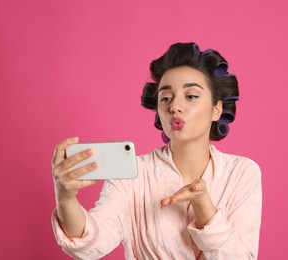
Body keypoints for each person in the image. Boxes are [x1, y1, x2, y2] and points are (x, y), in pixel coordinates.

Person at [51, 42, 262, 259]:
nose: (174, 107)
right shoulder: (133, 175)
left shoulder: (242, 172)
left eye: (191, 96)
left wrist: (203, 205)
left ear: (216, 109)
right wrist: (66, 198)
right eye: (166, 98)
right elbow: (91, 244)